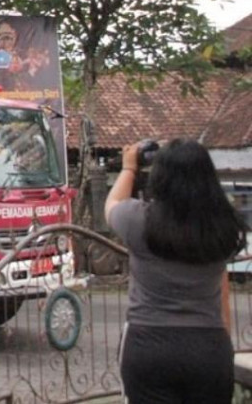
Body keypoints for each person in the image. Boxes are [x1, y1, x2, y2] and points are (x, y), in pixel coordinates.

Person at [105, 139, 246, 404]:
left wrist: (128, 168)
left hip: (148, 345)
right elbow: (223, 289)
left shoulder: (138, 220)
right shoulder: (223, 228)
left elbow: (111, 204)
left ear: (160, 178)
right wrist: (224, 341)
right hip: (208, 346)